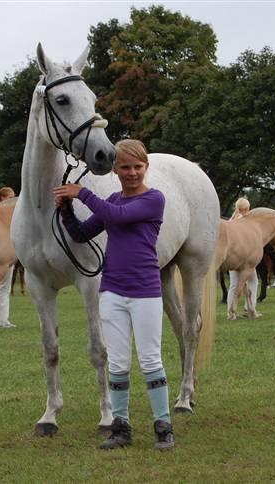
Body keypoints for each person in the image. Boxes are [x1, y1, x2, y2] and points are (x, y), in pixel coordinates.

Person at [53, 139, 174, 451]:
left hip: (146, 290)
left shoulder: (154, 199)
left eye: (137, 167)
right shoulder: (111, 199)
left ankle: (163, 426)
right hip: (112, 291)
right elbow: (81, 233)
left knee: (150, 359)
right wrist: (66, 210)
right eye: (125, 167)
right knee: (118, 363)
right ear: (116, 170)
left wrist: (82, 193)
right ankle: (121, 427)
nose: (132, 172)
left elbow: (117, 216)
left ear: (146, 168)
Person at [228, 197, 261, 314]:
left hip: (232, 256)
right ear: (247, 208)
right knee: (253, 281)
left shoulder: (232, 219)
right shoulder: (246, 221)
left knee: (233, 284)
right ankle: (249, 308)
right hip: (246, 257)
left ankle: (230, 311)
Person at [0, 186, 16, 329]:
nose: (13, 199)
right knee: (3, 286)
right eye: (10, 197)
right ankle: (1, 320)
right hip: (2, 252)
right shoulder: (3, 214)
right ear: (2, 198)